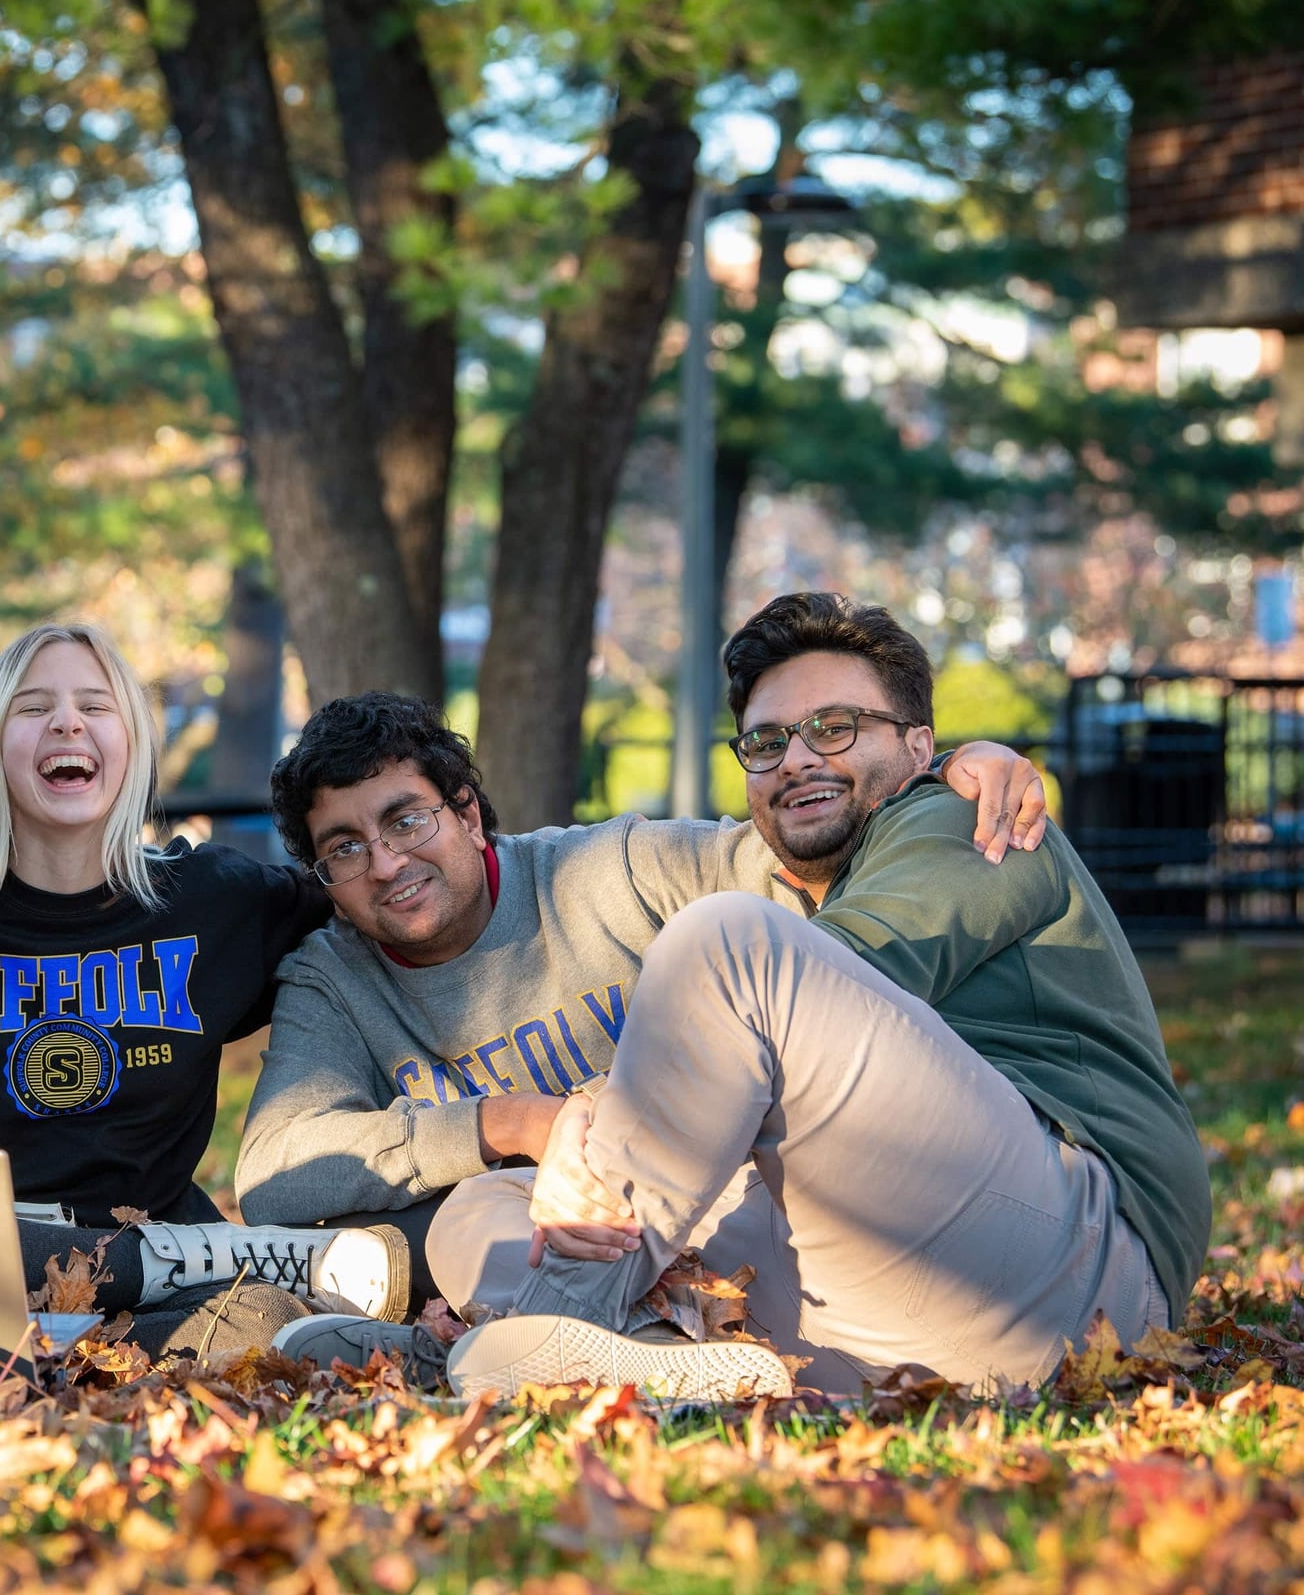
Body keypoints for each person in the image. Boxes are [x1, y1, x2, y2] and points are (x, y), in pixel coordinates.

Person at [279, 595, 1209, 1399]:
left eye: (836, 728)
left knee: (723, 939)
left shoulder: (965, 816)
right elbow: (282, 1165)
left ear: (920, 744)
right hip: (894, 1316)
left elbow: (827, 960)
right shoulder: (335, 970)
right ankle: (646, 1361)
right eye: (768, 742)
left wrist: (587, 1122)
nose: (799, 758)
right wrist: (534, 1135)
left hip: (1077, 1263)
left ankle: (536, 1342)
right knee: (483, 1210)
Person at [0, 623, 412, 1350]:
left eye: (96, 706)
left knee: (266, 1319)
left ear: (134, 748)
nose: (68, 721)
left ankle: (69, 1348)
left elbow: (388, 905)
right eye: (32, 706)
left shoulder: (215, 901)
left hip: (161, 1290)